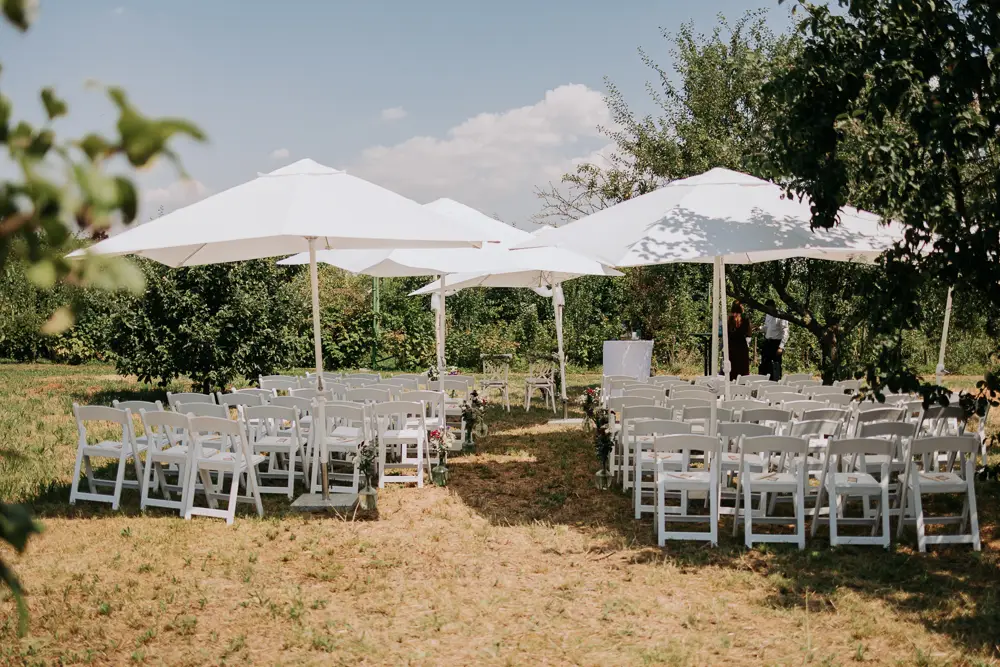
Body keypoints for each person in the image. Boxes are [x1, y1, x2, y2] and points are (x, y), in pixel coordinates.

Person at [759, 299, 789, 381]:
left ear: (773, 307)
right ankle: (765, 382)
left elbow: (785, 332)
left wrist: (781, 347)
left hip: (776, 343)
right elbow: (767, 328)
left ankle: (776, 382)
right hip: (768, 342)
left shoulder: (780, 315)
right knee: (765, 365)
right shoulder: (768, 315)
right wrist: (760, 328)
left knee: (775, 366)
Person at [727, 300, 750, 381]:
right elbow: (749, 332)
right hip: (741, 344)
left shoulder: (729, 317)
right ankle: (742, 382)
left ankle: (731, 381)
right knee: (742, 366)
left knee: (732, 366)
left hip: (731, 344)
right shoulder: (745, 317)